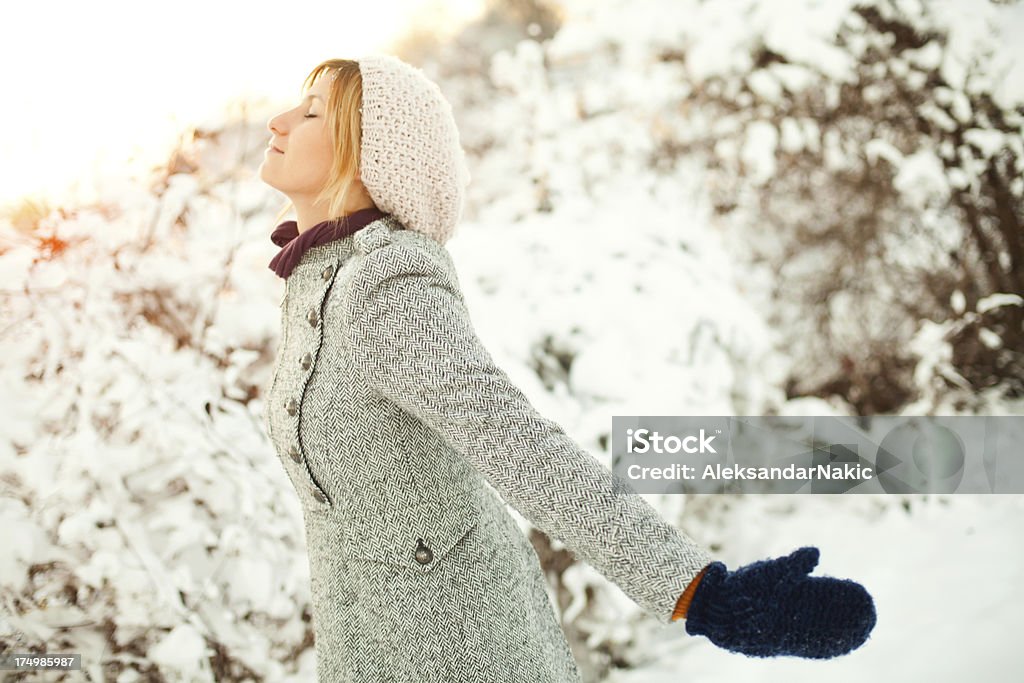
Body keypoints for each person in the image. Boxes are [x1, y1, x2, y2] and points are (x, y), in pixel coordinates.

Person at [257, 54, 877, 682]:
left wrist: (700, 594)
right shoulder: (318, 285)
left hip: (467, 651)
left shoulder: (387, 284)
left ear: (370, 157)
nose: (279, 121)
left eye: (311, 114)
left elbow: (516, 444)